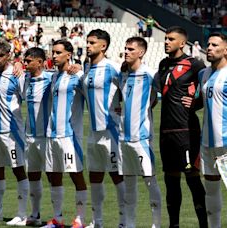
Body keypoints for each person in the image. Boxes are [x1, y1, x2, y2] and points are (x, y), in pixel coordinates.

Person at [155, 26, 207, 228]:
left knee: (192, 178)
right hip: (165, 131)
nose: (166, 42)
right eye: (165, 38)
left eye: (170, 39)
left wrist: (197, 102)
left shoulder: (194, 64)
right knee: (170, 180)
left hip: (186, 130)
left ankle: (204, 224)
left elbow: (210, 86)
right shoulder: (162, 65)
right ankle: (173, 225)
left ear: (182, 43)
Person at [0, 38, 29, 226]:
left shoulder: (17, 74)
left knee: (18, 170)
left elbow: (27, 96)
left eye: (1, 55)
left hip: (13, 131)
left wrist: (19, 64)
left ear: (8, 55)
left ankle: (22, 213)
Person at [82, 29, 126, 228]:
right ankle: (96, 221)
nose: (88, 46)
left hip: (111, 132)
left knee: (117, 176)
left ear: (103, 46)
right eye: (87, 42)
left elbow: (131, 91)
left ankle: (125, 221)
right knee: (95, 177)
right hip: (93, 132)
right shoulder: (86, 68)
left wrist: (120, 109)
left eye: (92, 42)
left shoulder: (113, 68)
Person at [118, 37, 162, 228]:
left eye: (130, 49)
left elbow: (161, 97)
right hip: (123, 138)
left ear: (141, 52)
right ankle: (129, 224)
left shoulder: (151, 74)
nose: (126, 52)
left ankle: (156, 224)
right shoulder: (123, 75)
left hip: (141, 138)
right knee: (128, 183)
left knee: (150, 181)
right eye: (125, 48)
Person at [44, 39, 86, 228]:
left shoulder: (78, 76)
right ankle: (57, 218)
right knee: (54, 175)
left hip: (70, 136)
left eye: (58, 52)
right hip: (52, 134)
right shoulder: (53, 77)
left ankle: (80, 218)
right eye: (53, 52)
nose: (54, 56)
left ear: (68, 55)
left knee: (76, 175)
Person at [197, 32, 227, 228]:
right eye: (208, 44)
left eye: (215, 45)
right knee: (211, 190)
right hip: (207, 144)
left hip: (226, 144)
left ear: (225, 50)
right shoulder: (203, 74)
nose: (209, 48)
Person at [22, 47, 52, 226]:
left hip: (46, 137)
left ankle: (58, 215)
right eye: (24, 61)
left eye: (28, 61)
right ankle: (35, 214)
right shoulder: (25, 78)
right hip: (29, 136)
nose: (25, 64)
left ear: (39, 62)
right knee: (33, 175)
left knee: (52, 176)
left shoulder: (51, 78)